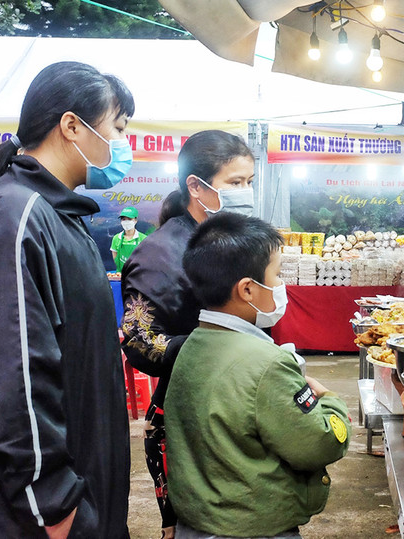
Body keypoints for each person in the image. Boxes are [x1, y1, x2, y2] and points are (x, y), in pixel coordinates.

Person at [0, 61, 134, 537]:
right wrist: (54, 505)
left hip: (79, 492)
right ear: (72, 126)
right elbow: (14, 378)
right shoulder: (17, 213)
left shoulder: (57, 214)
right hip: (30, 518)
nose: (122, 145)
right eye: (118, 128)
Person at [166, 212, 350, 538]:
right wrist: (331, 403)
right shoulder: (267, 364)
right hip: (251, 528)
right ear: (248, 290)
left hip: (197, 524)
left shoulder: (191, 346)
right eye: (277, 275)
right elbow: (317, 444)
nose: (281, 286)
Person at [120, 129, 255, 538]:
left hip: (240, 405)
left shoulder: (237, 238)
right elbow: (140, 341)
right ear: (196, 186)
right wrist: (215, 346)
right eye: (235, 183)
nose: (245, 192)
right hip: (186, 422)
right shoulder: (159, 256)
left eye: (249, 182)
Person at [110, 205, 147, 272]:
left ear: (135, 220)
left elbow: (146, 258)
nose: (126, 222)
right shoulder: (116, 238)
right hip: (120, 275)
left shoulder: (143, 238)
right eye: (124, 219)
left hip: (137, 275)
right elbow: (115, 256)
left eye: (129, 219)